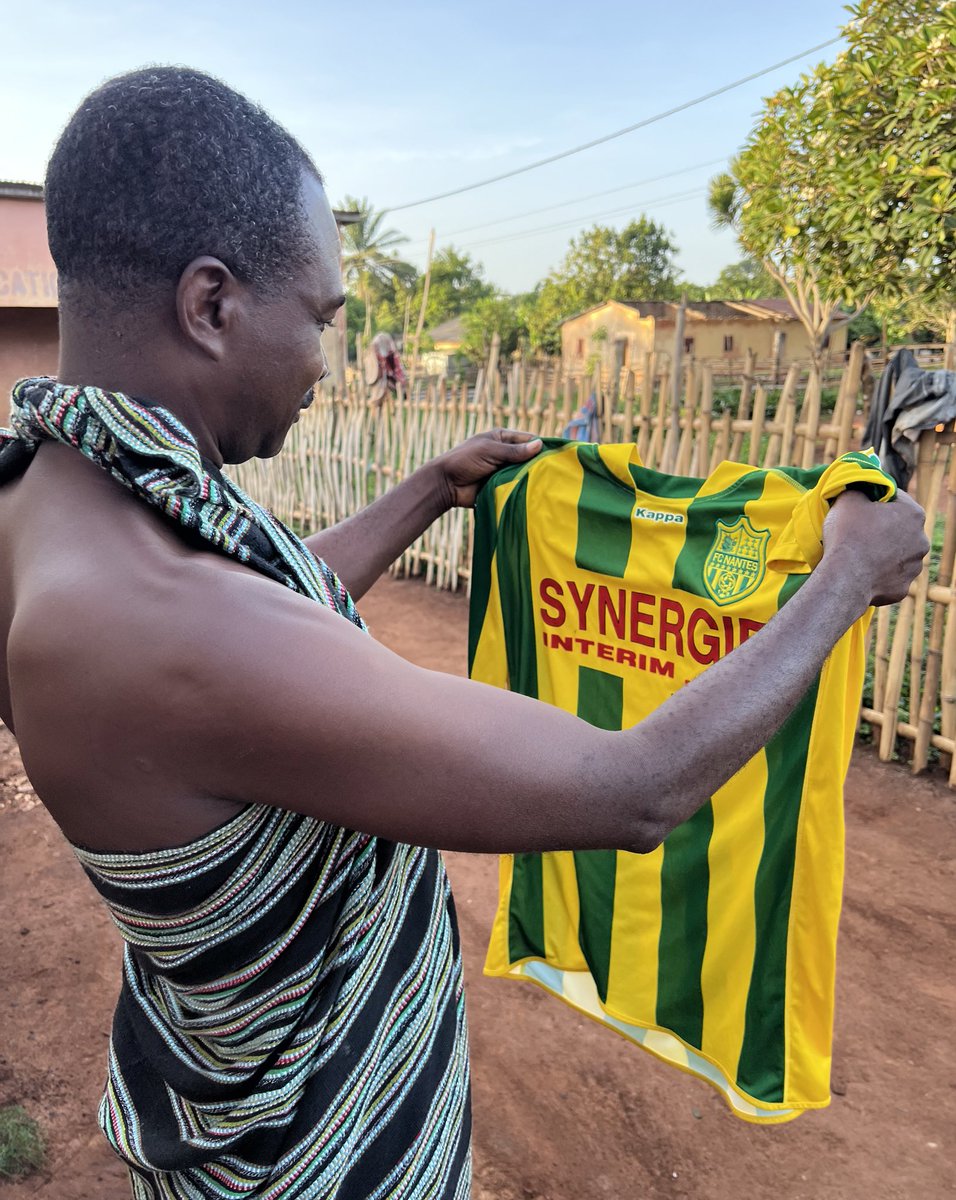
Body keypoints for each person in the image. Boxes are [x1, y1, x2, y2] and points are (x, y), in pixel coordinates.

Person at [0, 67, 927, 1200]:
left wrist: (426, 490)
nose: (328, 364)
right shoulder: (163, 628)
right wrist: (840, 579)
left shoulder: (48, 500)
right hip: (311, 1152)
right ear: (209, 306)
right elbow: (631, 788)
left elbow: (259, 630)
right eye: (323, 320)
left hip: (208, 1064)